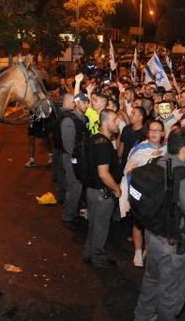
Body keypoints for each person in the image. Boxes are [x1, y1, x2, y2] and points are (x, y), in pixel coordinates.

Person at [134, 127, 185, 321]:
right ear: (184, 149)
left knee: (151, 279)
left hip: (152, 235)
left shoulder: (156, 161)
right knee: (171, 293)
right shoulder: (184, 176)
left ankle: (142, 316)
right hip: (172, 244)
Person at [118, 120, 167, 267]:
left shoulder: (167, 149)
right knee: (138, 223)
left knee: (155, 225)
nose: (154, 133)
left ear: (163, 133)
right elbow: (128, 170)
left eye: (158, 130)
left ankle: (149, 251)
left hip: (159, 194)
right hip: (142, 192)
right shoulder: (139, 149)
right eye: (151, 130)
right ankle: (138, 251)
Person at [83, 109, 122, 269]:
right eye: (114, 120)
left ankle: (88, 252)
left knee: (93, 225)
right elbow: (104, 174)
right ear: (105, 122)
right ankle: (98, 258)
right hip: (102, 194)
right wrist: (116, 189)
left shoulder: (94, 139)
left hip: (92, 190)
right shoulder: (104, 145)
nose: (117, 123)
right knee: (100, 228)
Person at [57, 93, 88, 229]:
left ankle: (72, 211)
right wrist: (79, 159)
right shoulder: (69, 120)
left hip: (78, 158)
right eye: (84, 102)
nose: (87, 105)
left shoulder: (81, 118)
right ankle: (68, 216)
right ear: (76, 103)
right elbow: (69, 146)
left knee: (75, 186)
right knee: (75, 186)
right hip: (72, 159)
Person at [118, 106, 146, 171]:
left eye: (133, 113)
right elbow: (121, 148)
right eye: (131, 113)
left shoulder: (144, 133)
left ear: (140, 117)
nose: (130, 115)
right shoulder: (126, 128)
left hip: (135, 167)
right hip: (123, 164)